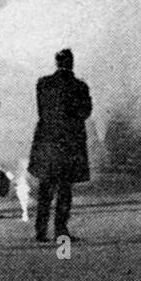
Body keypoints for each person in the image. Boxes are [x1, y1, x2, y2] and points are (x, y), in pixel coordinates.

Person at [29, 48, 93, 242]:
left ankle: (40, 231)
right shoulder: (80, 86)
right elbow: (86, 112)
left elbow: (42, 111)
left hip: (47, 144)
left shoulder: (43, 84)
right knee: (64, 191)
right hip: (69, 146)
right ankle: (60, 231)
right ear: (72, 63)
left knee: (45, 189)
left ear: (56, 63)